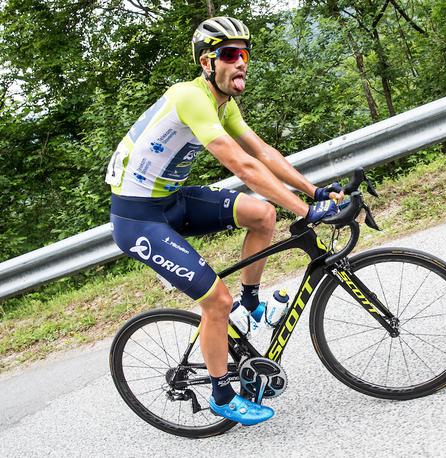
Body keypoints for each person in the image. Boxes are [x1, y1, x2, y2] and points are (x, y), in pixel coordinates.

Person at [105, 16, 343, 426]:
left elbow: (263, 152)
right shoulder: (190, 96)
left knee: (262, 213)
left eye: (244, 55)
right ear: (206, 63)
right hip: (138, 217)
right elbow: (243, 167)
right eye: (230, 55)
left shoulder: (224, 103)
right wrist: (305, 213)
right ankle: (221, 393)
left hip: (171, 201)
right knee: (216, 301)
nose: (241, 63)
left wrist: (314, 192)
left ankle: (251, 303)